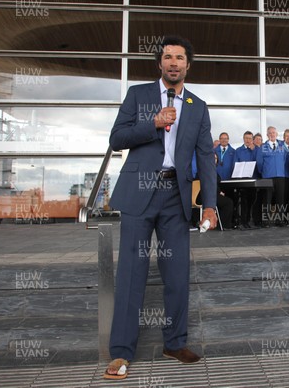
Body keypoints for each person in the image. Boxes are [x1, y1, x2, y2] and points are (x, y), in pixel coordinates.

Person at [104, 35, 216, 380]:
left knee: (177, 274)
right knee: (131, 274)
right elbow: (117, 138)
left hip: (176, 197)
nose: (173, 63)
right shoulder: (139, 95)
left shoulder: (198, 106)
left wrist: (209, 204)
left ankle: (175, 342)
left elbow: (205, 158)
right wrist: (152, 123)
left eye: (179, 58)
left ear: (187, 65)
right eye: (167, 57)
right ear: (160, 63)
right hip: (140, 193)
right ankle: (121, 353)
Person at [256, 126, 287, 227]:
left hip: (280, 176)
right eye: (270, 133)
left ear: (276, 134)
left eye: (274, 132)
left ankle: (280, 220)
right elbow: (259, 163)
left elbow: (284, 159)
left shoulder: (282, 146)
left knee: (280, 199)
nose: (272, 134)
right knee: (267, 199)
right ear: (267, 135)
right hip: (268, 176)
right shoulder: (263, 147)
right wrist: (264, 172)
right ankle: (266, 221)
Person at [234, 131, 258, 228]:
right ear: (243, 139)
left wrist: (254, 151)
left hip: (253, 180)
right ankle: (244, 221)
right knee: (244, 201)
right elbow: (235, 164)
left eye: (249, 138)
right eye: (246, 138)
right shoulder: (238, 150)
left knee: (253, 200)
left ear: (252, 139)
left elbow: (259, 162)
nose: (248, 140)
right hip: (242, 180)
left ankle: (250, 220)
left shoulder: (256, 149)